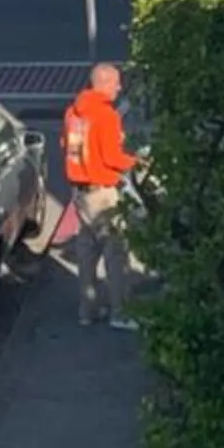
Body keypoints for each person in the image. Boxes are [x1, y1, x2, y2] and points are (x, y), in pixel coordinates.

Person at [61, 59, 138, 329]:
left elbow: (67, 145)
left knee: (86, 252)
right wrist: (136, 161)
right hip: (102, 193)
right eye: (116, 83)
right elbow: (112, 157)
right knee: (116, 253)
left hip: (80, 194)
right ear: (104, 84)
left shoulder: (74, 113)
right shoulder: (106, 115)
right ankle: (120, 313)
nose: (119, 88)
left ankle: (87, 311)